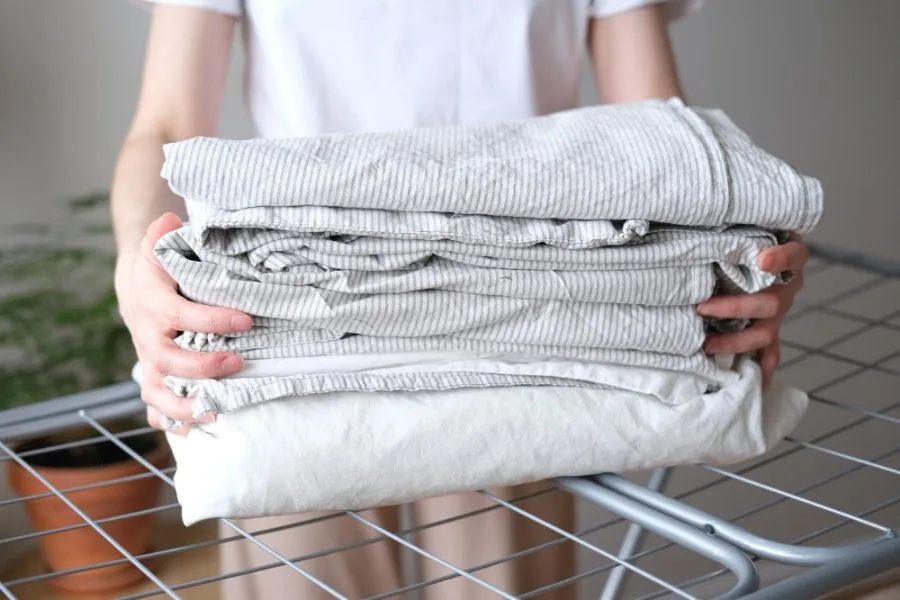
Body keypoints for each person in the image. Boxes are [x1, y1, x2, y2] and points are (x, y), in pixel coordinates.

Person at [111, 1, 809, 598]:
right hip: (288, 310)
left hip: (540, 321)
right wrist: (139, 269)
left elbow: (656, 141)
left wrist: (740, 250)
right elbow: (168, 126)